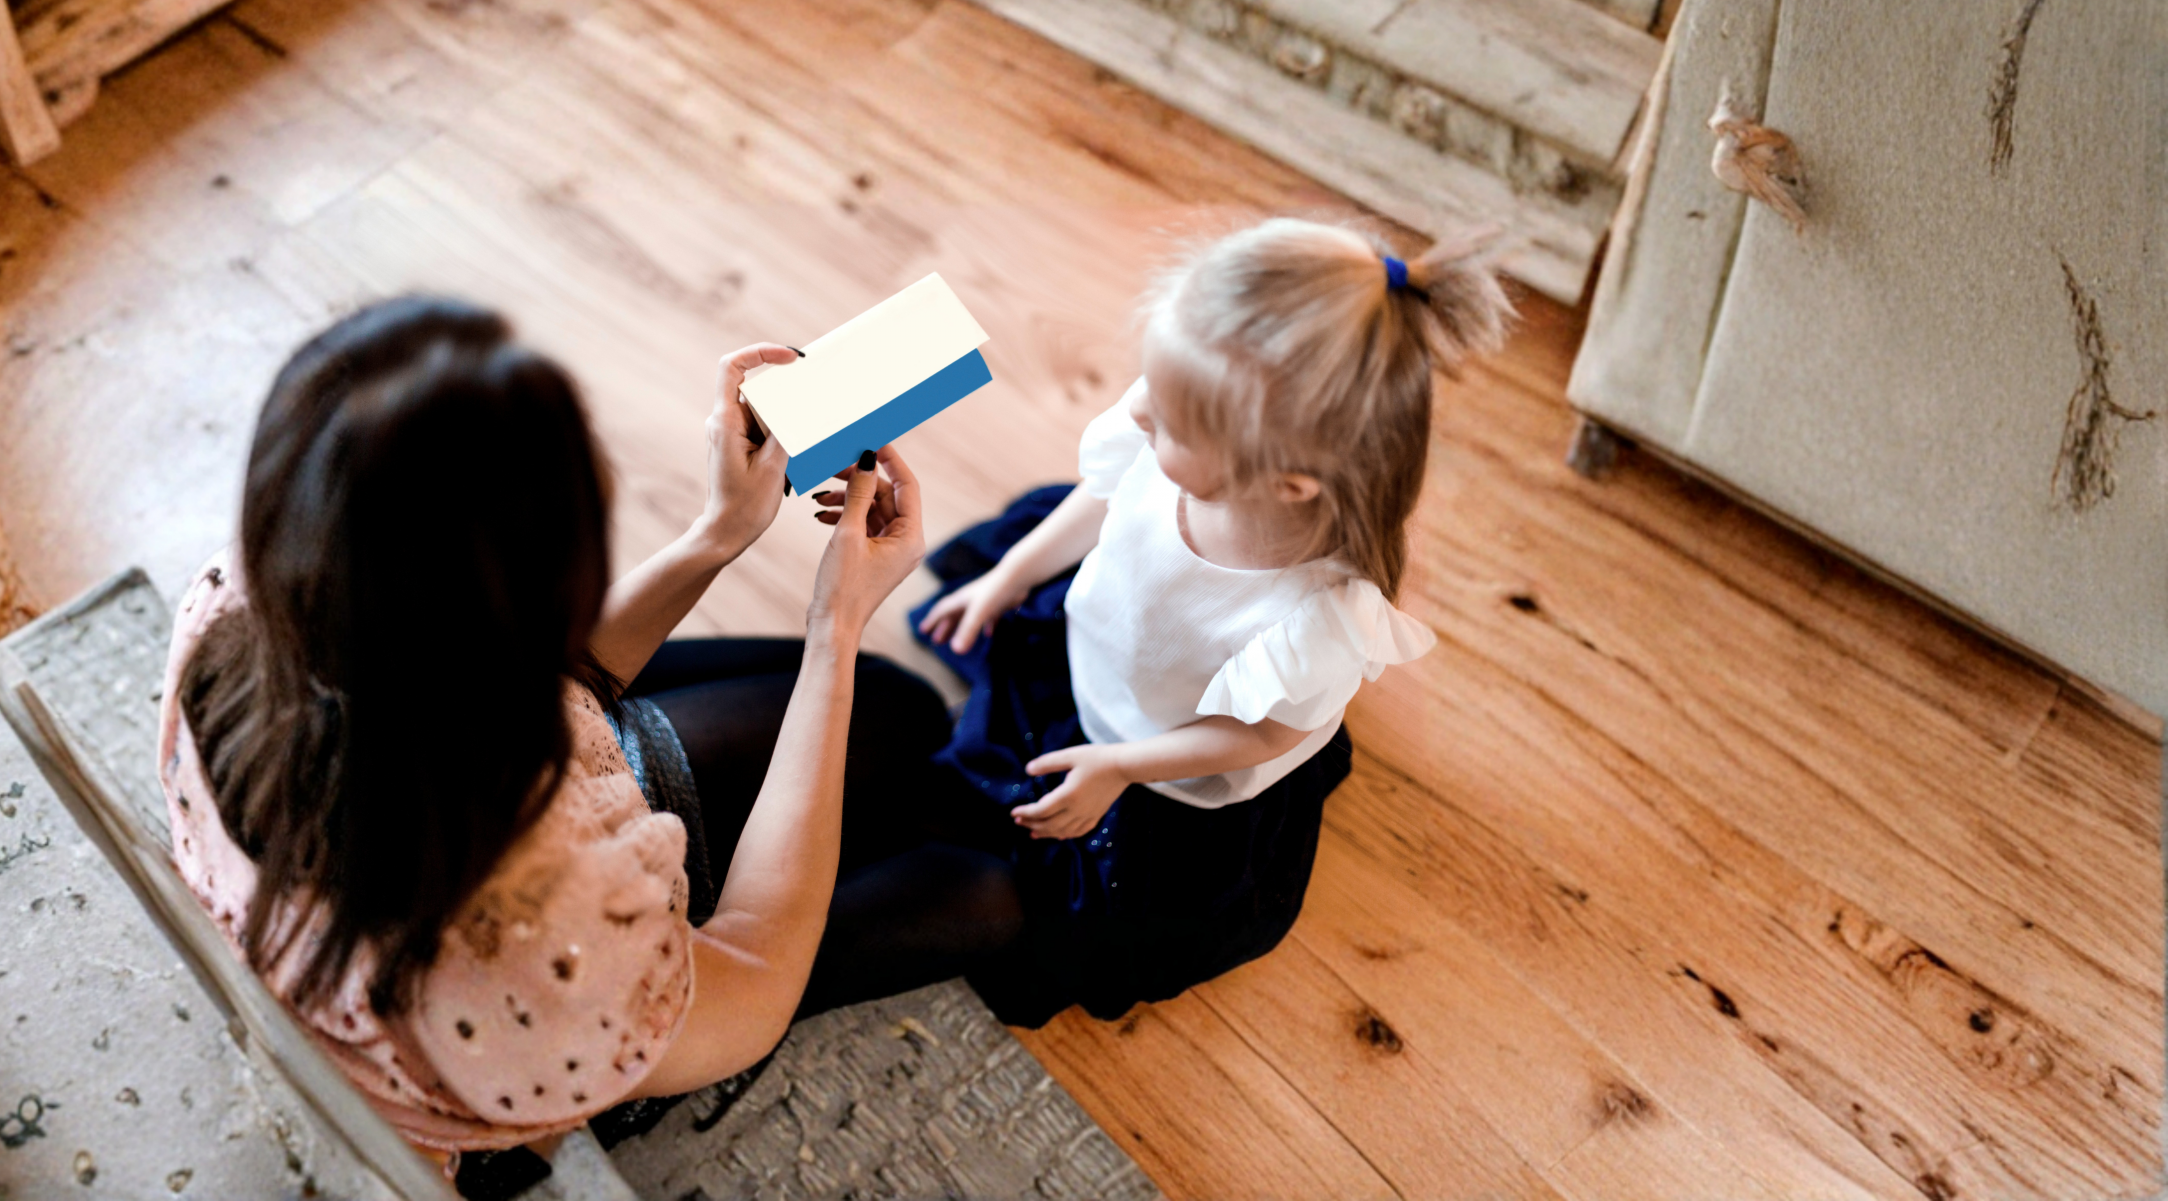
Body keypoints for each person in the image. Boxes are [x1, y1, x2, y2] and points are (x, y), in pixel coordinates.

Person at [154, 297, 1015, 1182]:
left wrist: (718, 533)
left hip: (448, 887)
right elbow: (752, 974)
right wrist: (834, 627)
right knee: (988, 890)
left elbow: (563, 684)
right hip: (520, 1036)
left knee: (899, 711)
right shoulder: (547, 937)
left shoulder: (233, 606)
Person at [912, 217, 1513, 1026]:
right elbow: (1103, 497)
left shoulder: (1312, 619)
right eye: (1149, 392)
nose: (1136, 415)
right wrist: (1010, 575)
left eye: (1169, 423)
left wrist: (1125, 766)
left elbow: (1262, 739)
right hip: (1105, 656)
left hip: (1168, 748)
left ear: (1290, 483)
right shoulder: (1173, 443)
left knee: (1076, 912)